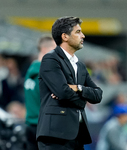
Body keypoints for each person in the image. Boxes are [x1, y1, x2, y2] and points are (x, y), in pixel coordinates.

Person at [36, 16, 103, 150]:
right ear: (65, 37)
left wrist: (78, 88)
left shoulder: (80, 65)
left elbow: (98, 95)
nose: (82, 36)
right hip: (55, 135)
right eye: (78, 32)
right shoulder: (50, 59)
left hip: (77, 135)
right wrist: (83, 100)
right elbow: (63, 91)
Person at [24, 36, 56, 150]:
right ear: (44, 49)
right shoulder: (45, 73)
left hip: (30, 125)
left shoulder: (30, 70)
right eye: (54, 48)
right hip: (45, 127)